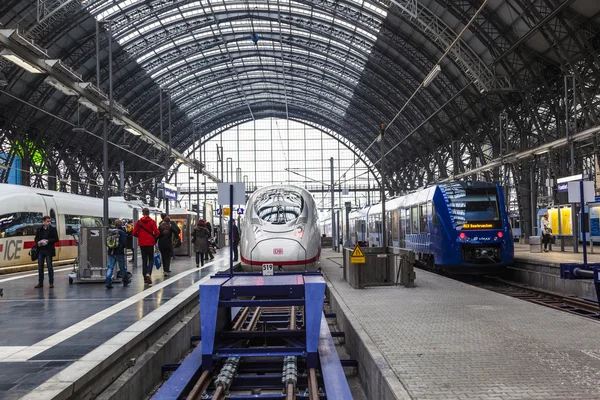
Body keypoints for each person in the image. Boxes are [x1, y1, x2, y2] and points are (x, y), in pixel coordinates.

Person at [132, 208, 159, 285]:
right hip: (150, 243)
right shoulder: (152, 222)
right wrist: (153, 236)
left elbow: (134, 233)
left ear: (143, 213)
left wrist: (140, 236)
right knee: (151, 259)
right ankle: (148, 273)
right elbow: (157, 232)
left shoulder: (138, 222)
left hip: (142, 243)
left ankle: (145, 278)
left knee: (144, 260)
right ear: (149, 213)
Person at [34, 215, 59, 289]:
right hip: (41, 250)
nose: (49, 223)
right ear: (44, 222)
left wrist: (48, 241)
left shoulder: (53, 229)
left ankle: (51, 282)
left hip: (49, 250)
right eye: (47, 221)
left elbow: (56, 239)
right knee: (40, 267)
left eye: (49, 221)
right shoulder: (40, 230)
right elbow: (36, 238)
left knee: (49, 266)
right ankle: (40, 282)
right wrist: (37, 242)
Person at [106, 219, 130, 289]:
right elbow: (124, 243)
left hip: (111, 252)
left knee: (110, 267)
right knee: (122, 267)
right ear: (121, 225)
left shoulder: (110, 232)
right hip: (119, 252)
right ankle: (125, 280)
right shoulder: (122, 232)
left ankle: (108, 282)